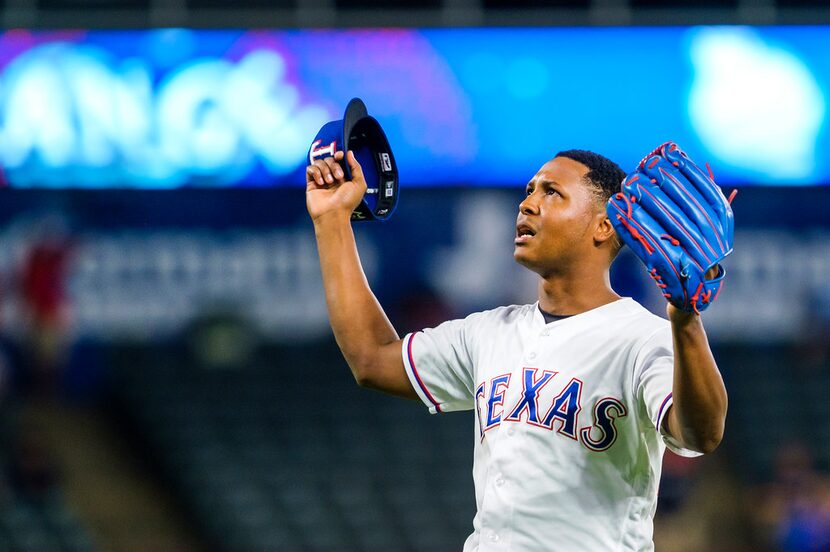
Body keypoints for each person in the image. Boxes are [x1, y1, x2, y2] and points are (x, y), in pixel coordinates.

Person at [306, 148, 728, 551]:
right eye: (529, 191)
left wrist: (686, 322)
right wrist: (332, 220)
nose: (528, 204)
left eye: (552, 192)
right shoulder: (489, 332)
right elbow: (372, 359)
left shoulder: (643, 337)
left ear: (603, 226)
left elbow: (700, 433)